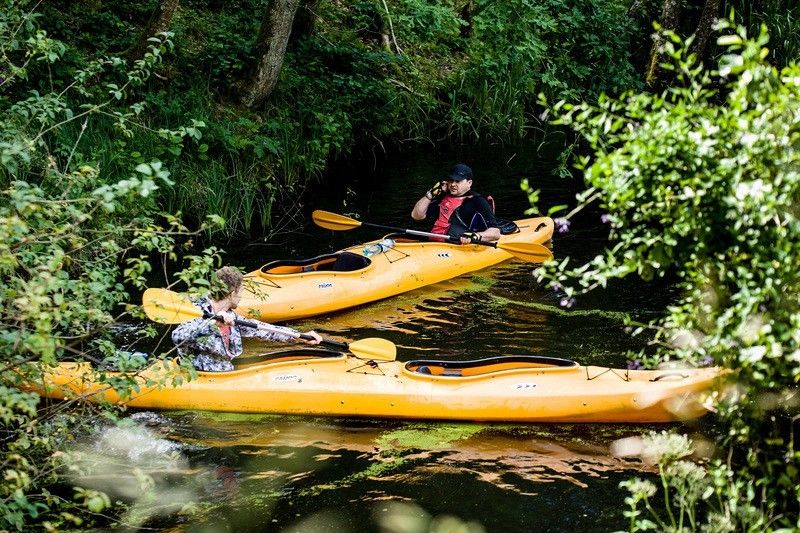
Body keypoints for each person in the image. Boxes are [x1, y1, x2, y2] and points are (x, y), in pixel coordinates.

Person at [172, 266, 323, 371]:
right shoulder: (195, 310)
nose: (241, 296)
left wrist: (299, 337)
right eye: (241, 291)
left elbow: (263, 330)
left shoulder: (230, 315)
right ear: (232, 293)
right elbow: (178, 336)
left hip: (225, 373)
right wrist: (213, 324)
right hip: (201, 378)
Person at [411, 163, 502, 244]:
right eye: (451, 180)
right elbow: (416, 215)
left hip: (457, 245)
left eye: (457, 181)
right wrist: (430, 194)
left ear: (469, 183)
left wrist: (476, 236)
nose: (453, 184)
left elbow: (495, 232)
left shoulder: (478, 201)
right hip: (432, 243)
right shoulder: (442, 197)